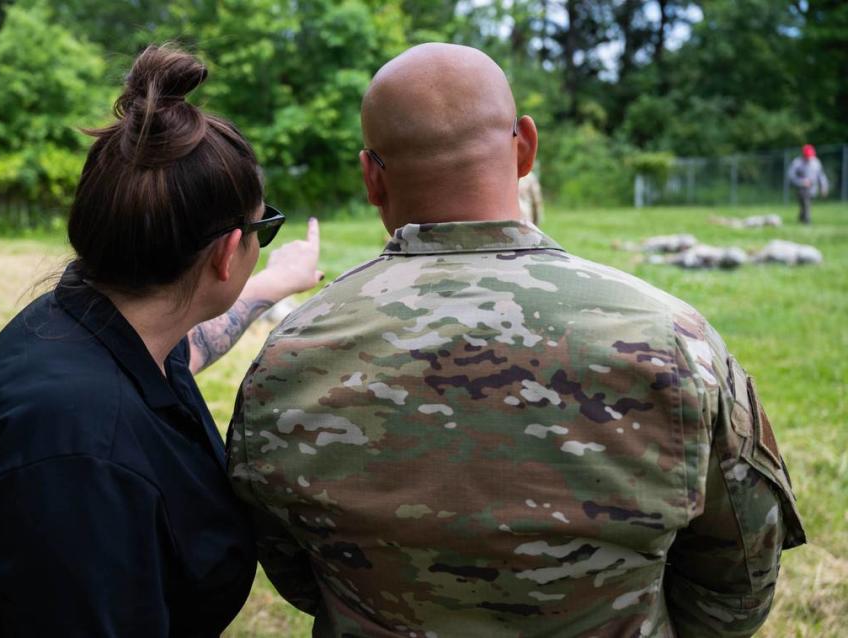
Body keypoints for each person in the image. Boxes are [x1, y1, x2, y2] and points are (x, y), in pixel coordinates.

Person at [227, 43, 806, 637]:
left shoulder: (292, 354)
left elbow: (295, 571)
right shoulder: (675, 340)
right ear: (525, 148)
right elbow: (737, 585)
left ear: (372, 177)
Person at [0, 45, 322, 637]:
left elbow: (188, 347)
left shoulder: (84, 323)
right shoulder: (82, 453)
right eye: (264, 230)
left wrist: (274, 282)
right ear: (229, 252)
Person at [787, 144, 829, 224]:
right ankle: (807, 221)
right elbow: (790, 175)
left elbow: (821, 176)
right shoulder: (797, 162)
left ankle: (801, 218)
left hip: (813, 188)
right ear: (803, 155)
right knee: (806, 204)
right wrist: (801, 182)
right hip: (801, 189)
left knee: (806, 205)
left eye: (810, 156)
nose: (809, 158)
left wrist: (824, 187)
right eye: (807, 156)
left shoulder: (816, 162)